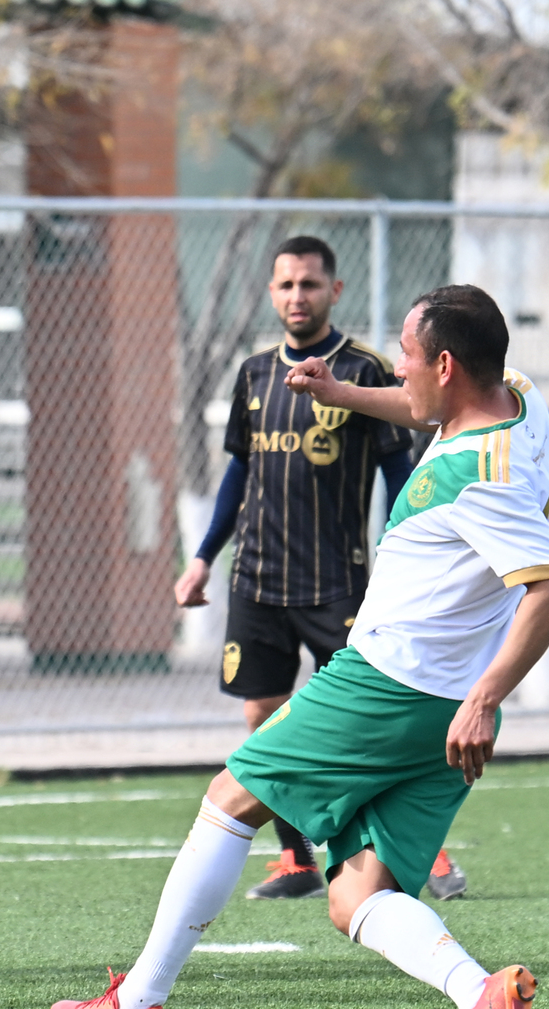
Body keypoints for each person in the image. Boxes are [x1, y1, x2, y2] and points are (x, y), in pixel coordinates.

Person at [50, 285, 549, 1009]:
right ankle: (483, 997)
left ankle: (140, 1001)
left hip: (391, 685)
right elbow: (419, 406)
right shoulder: (518, 401)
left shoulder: (483, 474)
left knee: (231, 797)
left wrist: (486, 696)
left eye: (404, 354)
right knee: (355, 895)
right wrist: (342, 394)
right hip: (439, 706)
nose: (395, 367)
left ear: (443, 363)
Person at [172, 236, 451, 900]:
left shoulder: (367, 369)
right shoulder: (253, 374)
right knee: (262, 714)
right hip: (259, 580)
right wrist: (202, 557)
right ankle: (297, 857)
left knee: (370, 720)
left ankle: (423, 853)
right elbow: (237, 471)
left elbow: (399, 471)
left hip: (339, 582)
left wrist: (407, 554)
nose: (298, 296)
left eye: (310, 284)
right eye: (287, 285)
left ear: (335, 291)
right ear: (272, 293)